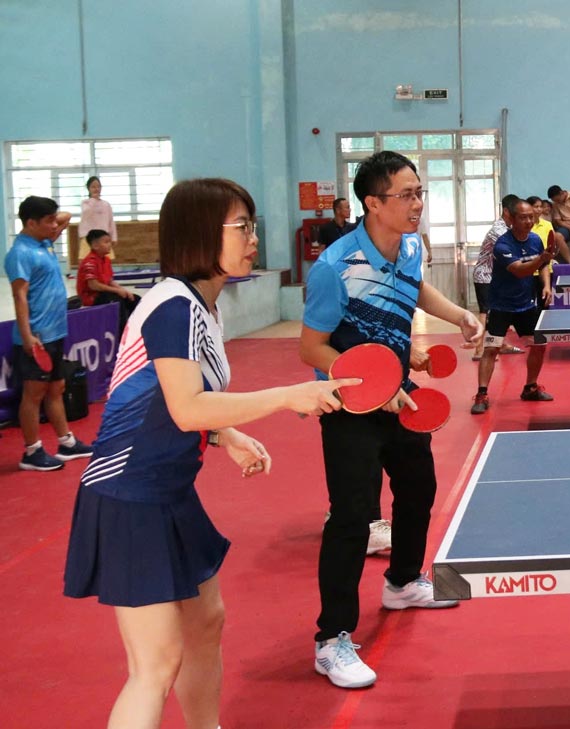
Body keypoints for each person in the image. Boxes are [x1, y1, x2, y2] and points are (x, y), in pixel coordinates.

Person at [63, 178, 350, 726]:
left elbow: (175, 406)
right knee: (155, 664)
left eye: (251, 225)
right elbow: (187, 409)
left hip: (168, 491)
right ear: (200, 233)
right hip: (127, 494)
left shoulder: (206, 310)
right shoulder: (173, 307)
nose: (252, 238)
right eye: (240, 226)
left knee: (205, 622)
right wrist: (290, 395)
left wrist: (227, 436)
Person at [300, 151, 484, 689]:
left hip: (400, 397)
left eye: (419, 193)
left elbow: (414, 289)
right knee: (353, 518)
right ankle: (331, 639)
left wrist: (460, 314)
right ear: (372, 203)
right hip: (348, 407)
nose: (417, 204)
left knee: (418, 489)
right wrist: (370, 383)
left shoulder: (408, 245)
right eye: (406, 195)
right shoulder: (334, 268)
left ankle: (403, 583)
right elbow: (311, 348)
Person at [6, 196, 92, 471]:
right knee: (33, 394)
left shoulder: (43, 242)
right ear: (31, 223)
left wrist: (52, 221)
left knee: (56, 388)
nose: (56, 225)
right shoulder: (20, 253)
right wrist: (28, 335)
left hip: (55, 332)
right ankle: (31, 452)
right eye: (48, 221)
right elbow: (19, 296)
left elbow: (65, 216)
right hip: (37, 337)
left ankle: (66, 443)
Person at [471, 198, 554, 415]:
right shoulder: (503, 245)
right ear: (512, 219)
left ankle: (530, 387)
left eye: (531, 217)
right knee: (491, 349)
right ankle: (482, 393)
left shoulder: (536, 240)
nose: (528, 221)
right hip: (500, 306)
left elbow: (543, 266)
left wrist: (546, 285)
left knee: (539, 346)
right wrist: (542, 259)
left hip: (526, 305)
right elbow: (519, 270)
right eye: (523, 217)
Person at [470, 195, 524, 361]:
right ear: (507, 212)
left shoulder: (508, 228)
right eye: (517, 213)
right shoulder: (498, 231)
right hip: (484, 275)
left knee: (502, 309)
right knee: (485, 312)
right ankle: (479, 350)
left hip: (497, 276)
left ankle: (502, 344)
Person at [77, 229, 139, 332]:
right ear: (95, 246)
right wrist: (117, 291)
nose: (110, 245)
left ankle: (134, 332)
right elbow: (93, 285)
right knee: (117, 302)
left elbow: (109, 281)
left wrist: (124, 291)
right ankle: (119, 335)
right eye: (106, 242)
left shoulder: (106, 260)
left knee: (134, 299)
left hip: (104, 294)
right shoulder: (89, 262)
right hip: (92, 298)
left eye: (109, 241)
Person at [78, 175, 116, 261]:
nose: (96, 189)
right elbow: (87, 213)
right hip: (88, 238)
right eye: (93, 187)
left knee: (105, 262)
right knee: (86, 261)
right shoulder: (85, 203)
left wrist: (113, 237)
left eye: (98, 186)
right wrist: (93, 199)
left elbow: (111, 222)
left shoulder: (106, 204)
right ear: (89, 189)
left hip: (103, 237)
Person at [528, 194, 569, 263]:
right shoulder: (525, 226)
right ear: (528, 208)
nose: (539, 209)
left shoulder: (547, 224)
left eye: (540, 206)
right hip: (530, 264)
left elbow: (553, 243)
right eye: (536, 207)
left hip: (546, 264)